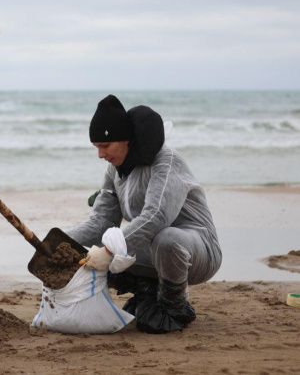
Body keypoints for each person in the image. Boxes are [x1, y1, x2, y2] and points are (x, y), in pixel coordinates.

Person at [69, 95, 222, 334]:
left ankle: (174, 306)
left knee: (165, 238)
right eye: (96, 147)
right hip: (152, 252)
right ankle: (148, 291)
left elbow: (156, 216)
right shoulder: (114, 170)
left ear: (126, 140)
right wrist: (56, 241)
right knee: (87, 252)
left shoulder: (166, 160)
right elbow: (100, 223)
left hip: (197, 251)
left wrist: (109, 251)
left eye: (105, 146)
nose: (100, 154)